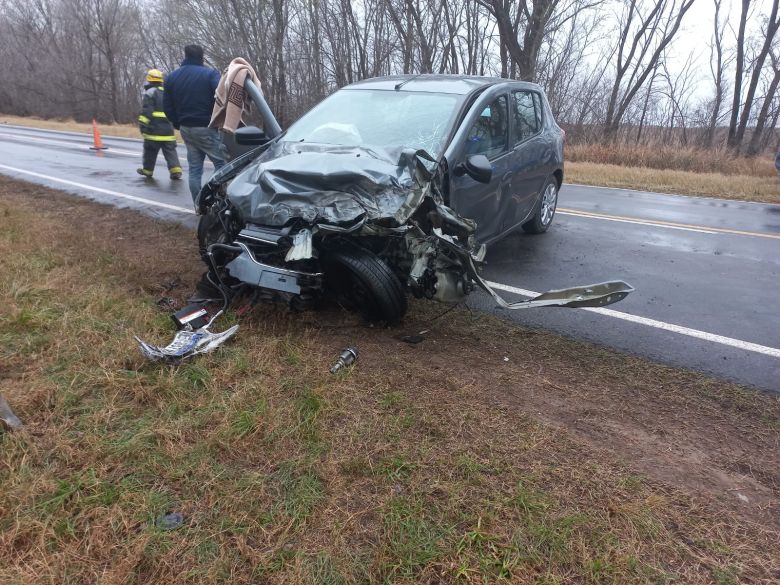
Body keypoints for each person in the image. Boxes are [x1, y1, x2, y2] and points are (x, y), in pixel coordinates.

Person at [163, 44, 226, 204]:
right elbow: (221, 96)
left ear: (185, 56)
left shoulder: (172, 77)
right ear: (201, 57)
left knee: (195, 169)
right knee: (222, 165)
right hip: (206, 127)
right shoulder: (209, 74)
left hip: (186, 129)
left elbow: (167, 107)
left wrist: (178, 124)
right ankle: (215, 201)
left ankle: (199, 206)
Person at [136, 69, 182, 180]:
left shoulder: (150, 93)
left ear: (149, 80)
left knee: (150, 152)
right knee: (170, 152)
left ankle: (147, 171)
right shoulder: (167, 92)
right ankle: (176, 171)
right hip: (168, 131)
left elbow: (147, 112)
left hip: (153, 131)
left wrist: (142, 126)